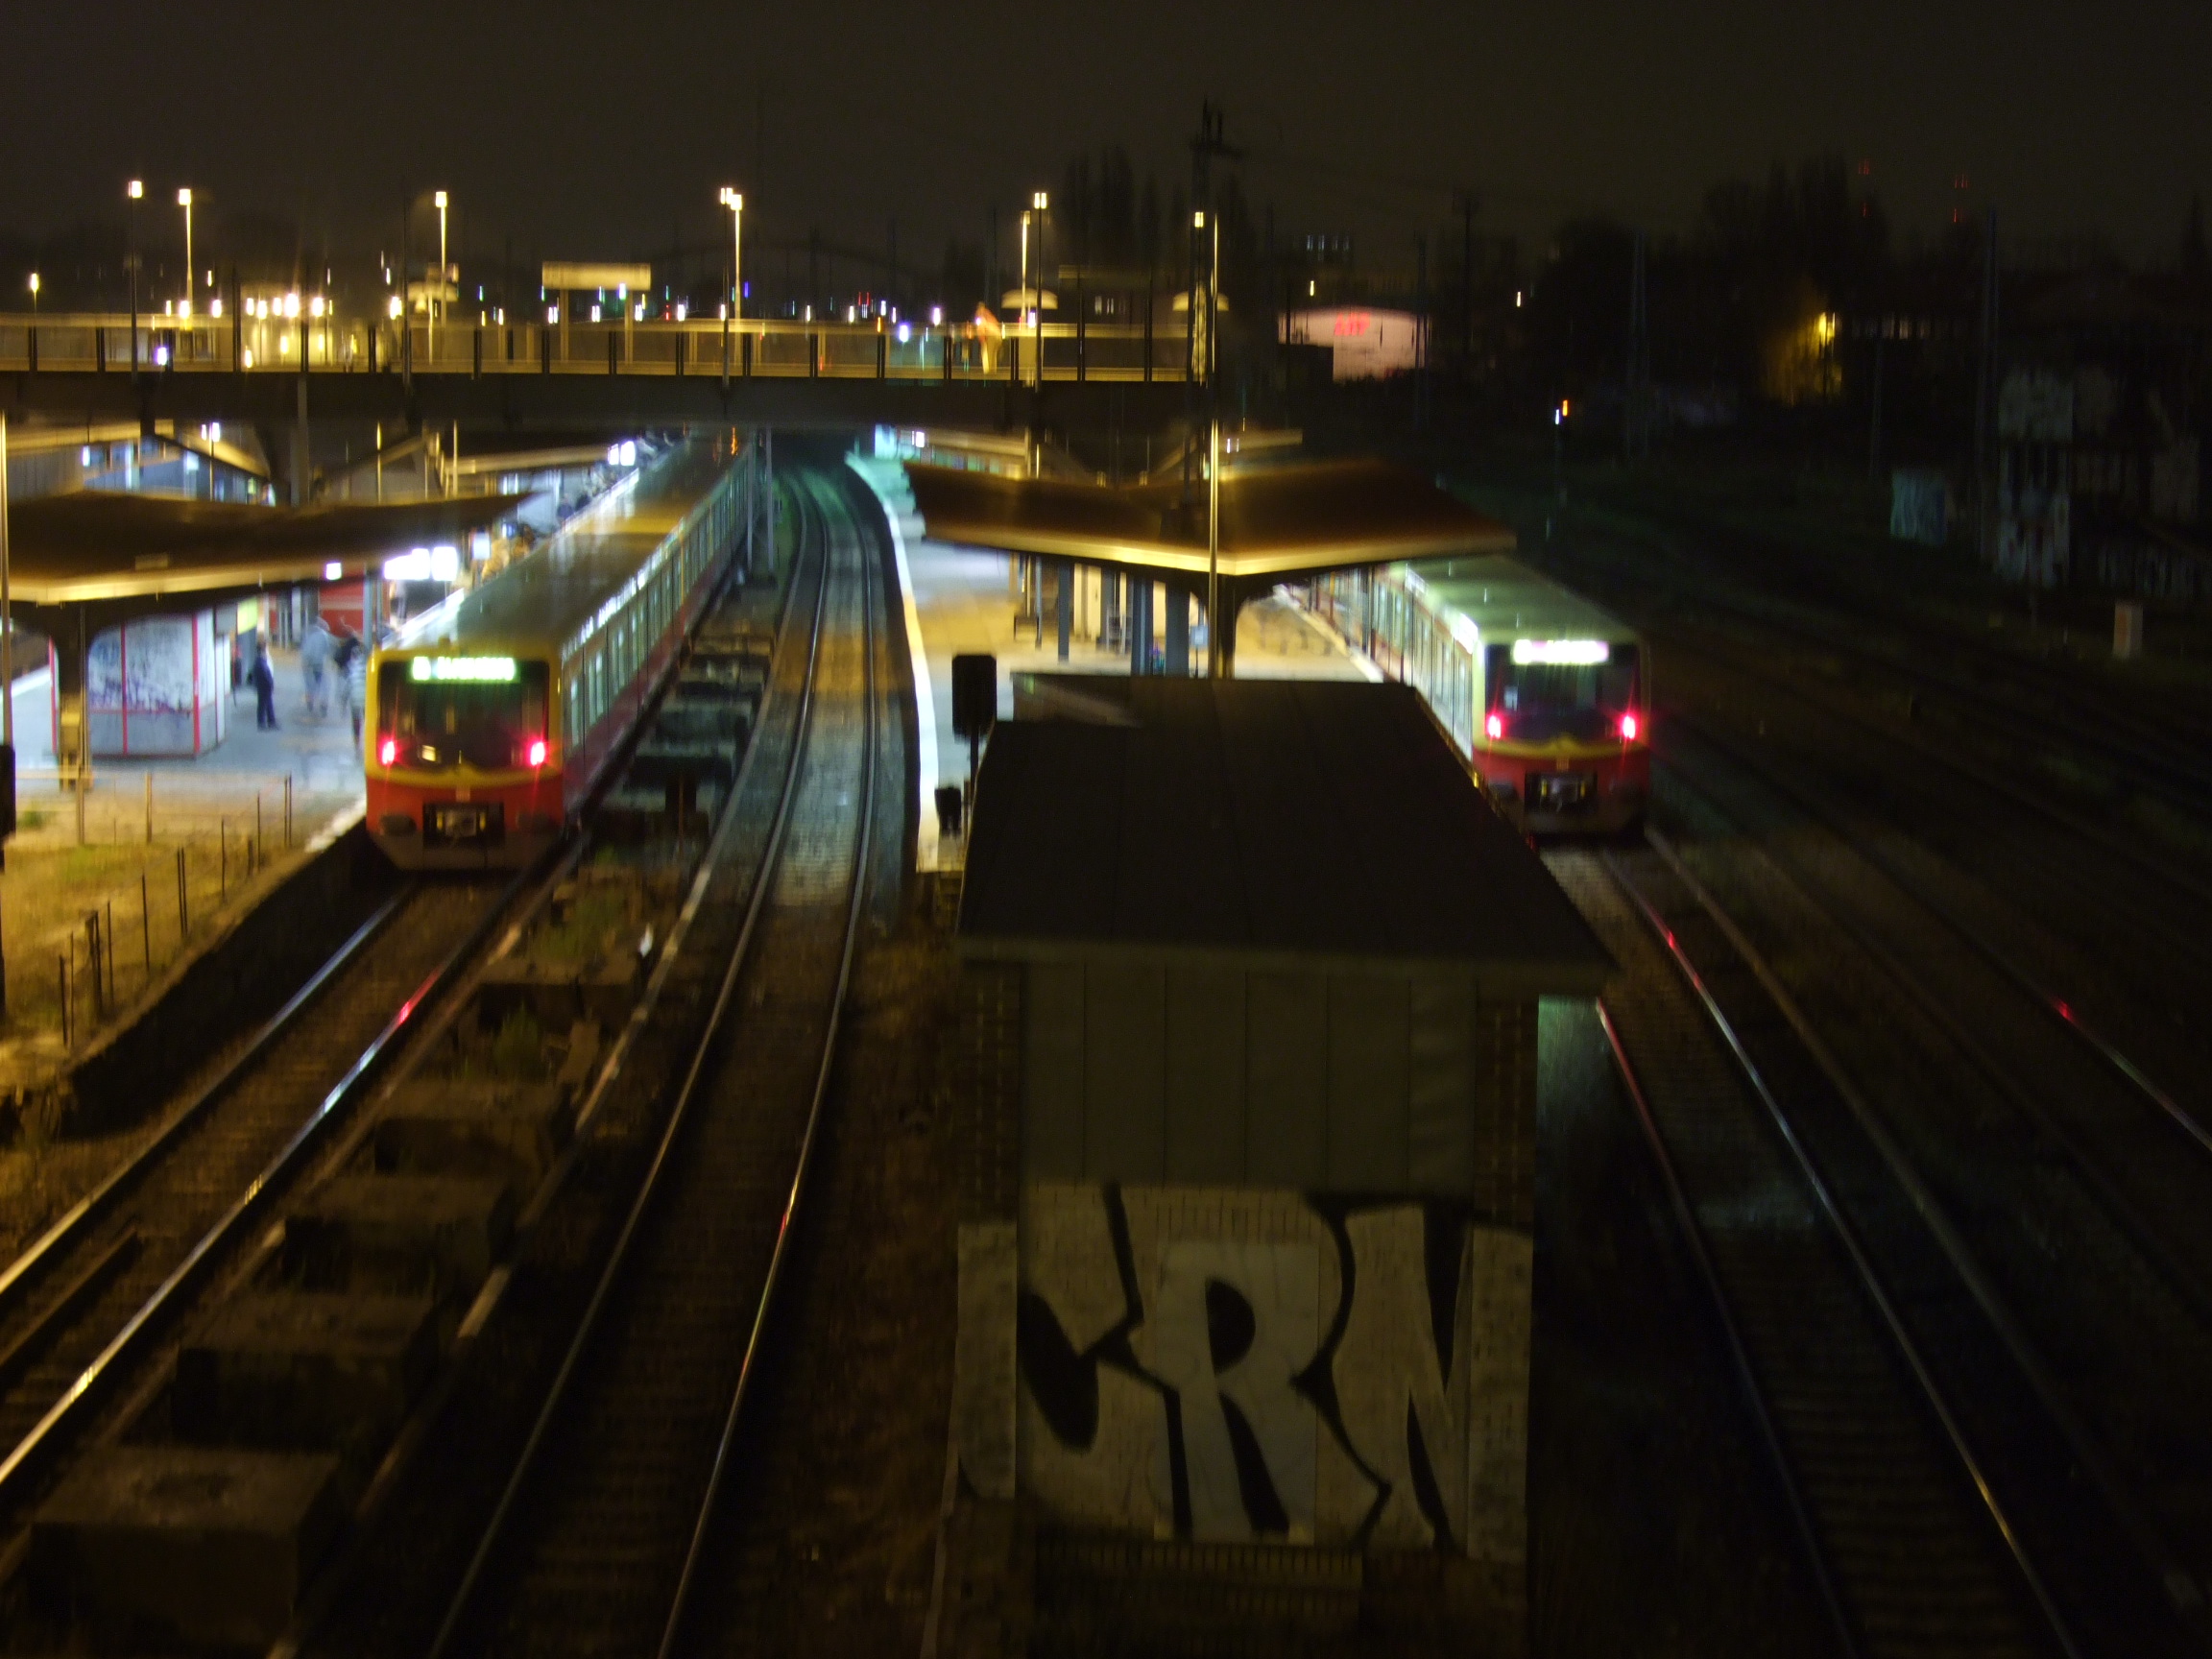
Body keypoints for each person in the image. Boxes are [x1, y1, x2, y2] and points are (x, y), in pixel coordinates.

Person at [301, 616, 332, 717]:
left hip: (309, 664)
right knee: (323, 685)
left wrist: (305, 662)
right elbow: (328, 649)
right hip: (320, 664)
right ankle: (323, 705)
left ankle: (310, 702)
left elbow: (305, 650)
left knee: (310, 685)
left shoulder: (308, 635)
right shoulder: (324, 636)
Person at [251, 636, 278, 730]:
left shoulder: (261, 660)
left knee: (267, 704)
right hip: (264, 685)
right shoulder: (261, 661)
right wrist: (270, 683)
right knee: (263, 704)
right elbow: (265, 673)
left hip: (265, 685)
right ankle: (264, 722)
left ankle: (270, 721)